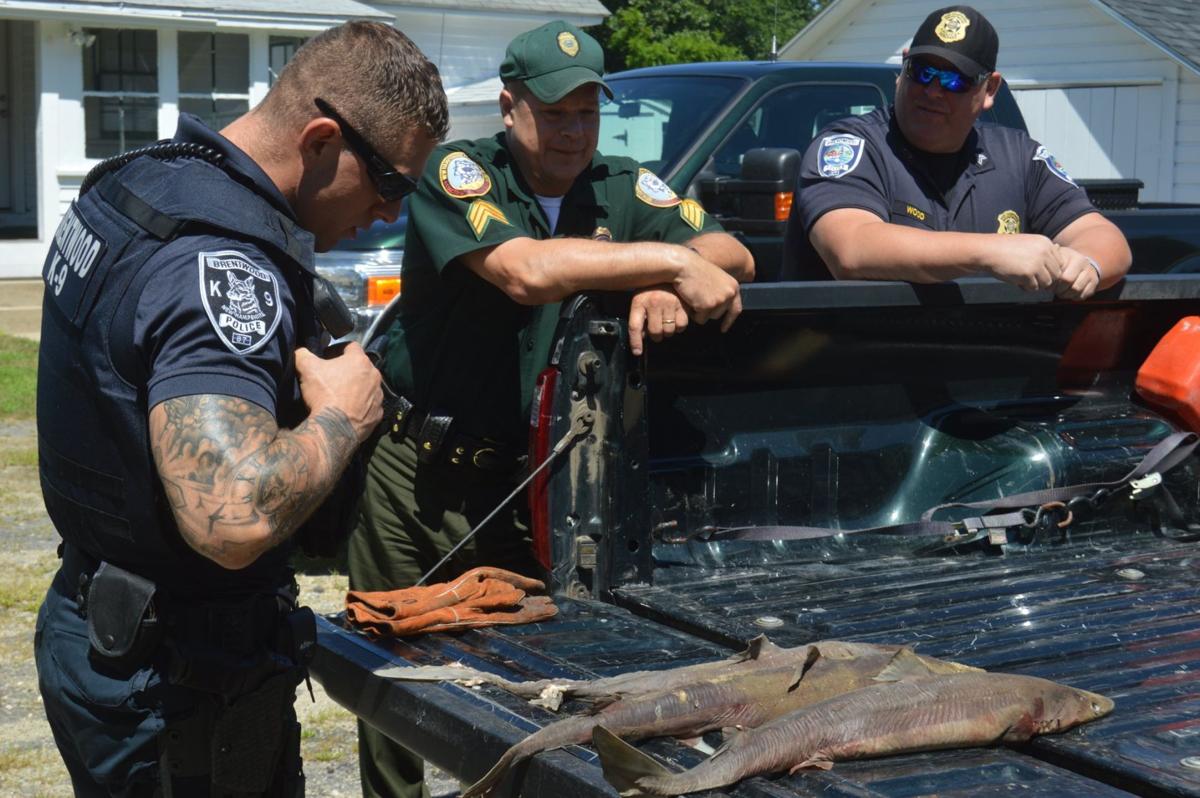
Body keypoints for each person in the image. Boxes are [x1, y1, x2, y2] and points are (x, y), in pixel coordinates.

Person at [33, 21, 447, 797]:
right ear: (323, 140)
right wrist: (344, 417)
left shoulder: (138, 184)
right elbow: (232, 518)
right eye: (391, 183)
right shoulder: (219, 266)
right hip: (180, 685)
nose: (390, 215)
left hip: (100, 626)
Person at [346, 19, 754, 798]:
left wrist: (660, 280)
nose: (572, 131)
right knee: (390, 678)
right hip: (415, 472)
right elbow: (526, 271)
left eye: (587, 112)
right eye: (553, 112)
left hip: (531, 481)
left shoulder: (622, 186)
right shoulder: (460, 171)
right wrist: (665, 264)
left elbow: (734, 255)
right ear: (510, 107)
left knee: (528, 675)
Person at [783, 5, 1131, 299]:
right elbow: (852, 249)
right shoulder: (852, 145)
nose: (934, 91)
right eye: (922, 72)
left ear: (990, 88)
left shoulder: (1019, 157)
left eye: (955, 80)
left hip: (979, 368)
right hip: (840, 368)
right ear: (902, 71)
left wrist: (1087, 265)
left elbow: (1101, 235)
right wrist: (991, 252)